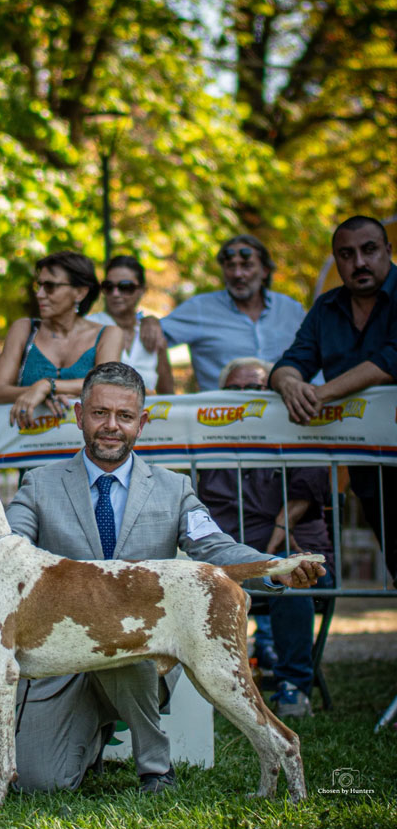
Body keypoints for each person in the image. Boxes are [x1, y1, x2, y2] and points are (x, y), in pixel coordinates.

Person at [4, 362, 324, 794]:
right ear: (79, 415)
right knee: (40, 783)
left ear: (143, 423)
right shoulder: (39, 485)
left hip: (141, 658)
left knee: (125, 631)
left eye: (125, 416)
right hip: (62, 662)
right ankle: (89, 736)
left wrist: (276, 571)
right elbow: (8, 548)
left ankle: (155, 768)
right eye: (100, 414)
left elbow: (215, 547)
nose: (111, 427)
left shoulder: (173, 489)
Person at [196, 358, 334, 718]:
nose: (244, 397)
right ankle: (207, 686)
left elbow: (311, 481)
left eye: (255, 389)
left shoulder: (293, 430)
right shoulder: (207, 445)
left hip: (300, 557)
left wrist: (279, 530)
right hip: (233, 563)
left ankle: (293, 687)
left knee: (293, 570)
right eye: (234, 390)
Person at [270, 215, 397, 584]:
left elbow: (391, 359)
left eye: (368, 250)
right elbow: (292, 360)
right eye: (346, 254)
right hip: (368, 462)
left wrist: (321, 393)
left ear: (387, 250)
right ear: (336, 260)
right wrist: (291, 384)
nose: (358, 262)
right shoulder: (327, 307)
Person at [140, 235, 305, 392]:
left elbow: (315, 356)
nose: (238, 274)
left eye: (246, 266)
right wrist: (150, 320)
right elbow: (149, 337)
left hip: (283, 414)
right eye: (230, 266)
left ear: (265, 271)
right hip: (219, 416)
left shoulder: (291, 310)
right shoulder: (201, 309)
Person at [0, 251, 122, 427]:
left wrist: (46, 386)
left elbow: (107, 386)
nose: (40, 294)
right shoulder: (25, 329)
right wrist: (40, 393)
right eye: (39, 286)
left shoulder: (108, 334)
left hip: (86, 445)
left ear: (80, 292)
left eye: (50, 286)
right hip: (25, 444)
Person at [87, 255, 175, 394]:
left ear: (142, 290)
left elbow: (168, 393)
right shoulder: (90, 325)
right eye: (108, 287)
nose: (115, 294)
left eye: (125, 287)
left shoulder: (151, 330)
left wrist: (161, 346)